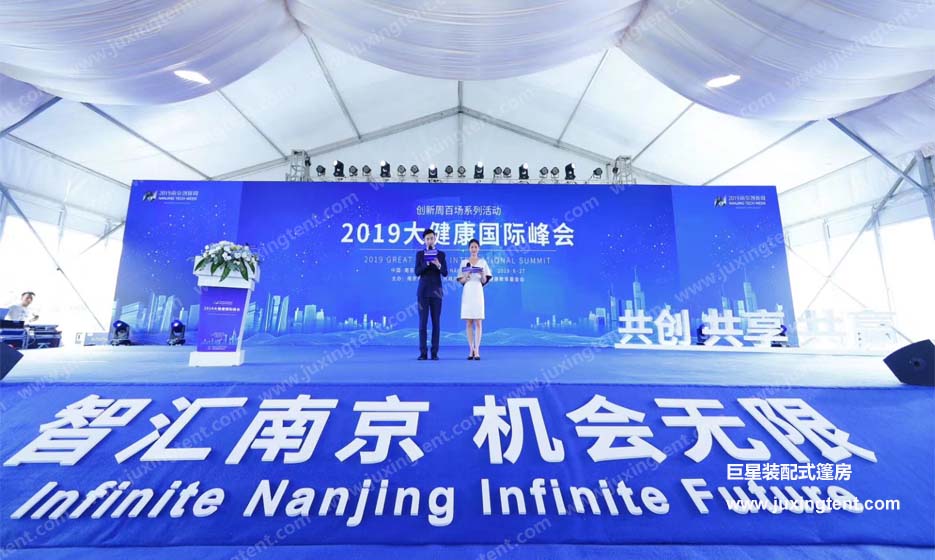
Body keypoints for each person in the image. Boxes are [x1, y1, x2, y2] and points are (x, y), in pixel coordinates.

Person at [414, 228, 448, 360]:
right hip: (423, 293)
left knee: (436, 323)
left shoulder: (441, 255)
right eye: (427, 239)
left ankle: (434, 353)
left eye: (432, 238)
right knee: (422, 323)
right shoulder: (420, 255)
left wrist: (438, 264)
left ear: (435, 239)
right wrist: (426, 263)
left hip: (437, 293)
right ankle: (423, 353)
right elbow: (417, 272)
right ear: (424, 240)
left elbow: (445, 273)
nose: (430, 240)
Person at [458, 239, 493, 360]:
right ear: (469, 249)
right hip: (468, 291)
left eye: (475, 247)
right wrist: (466, 275)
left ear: (479, 249)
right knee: (468, 322)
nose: (473, 249)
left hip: (478, 290)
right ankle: (471, 349)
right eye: (472, 247)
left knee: (478, 322)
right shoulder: (464, 262)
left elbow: (484, 281)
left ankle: (477, 350)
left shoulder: (483, 262)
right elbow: (461, 281)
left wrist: (482, 274)